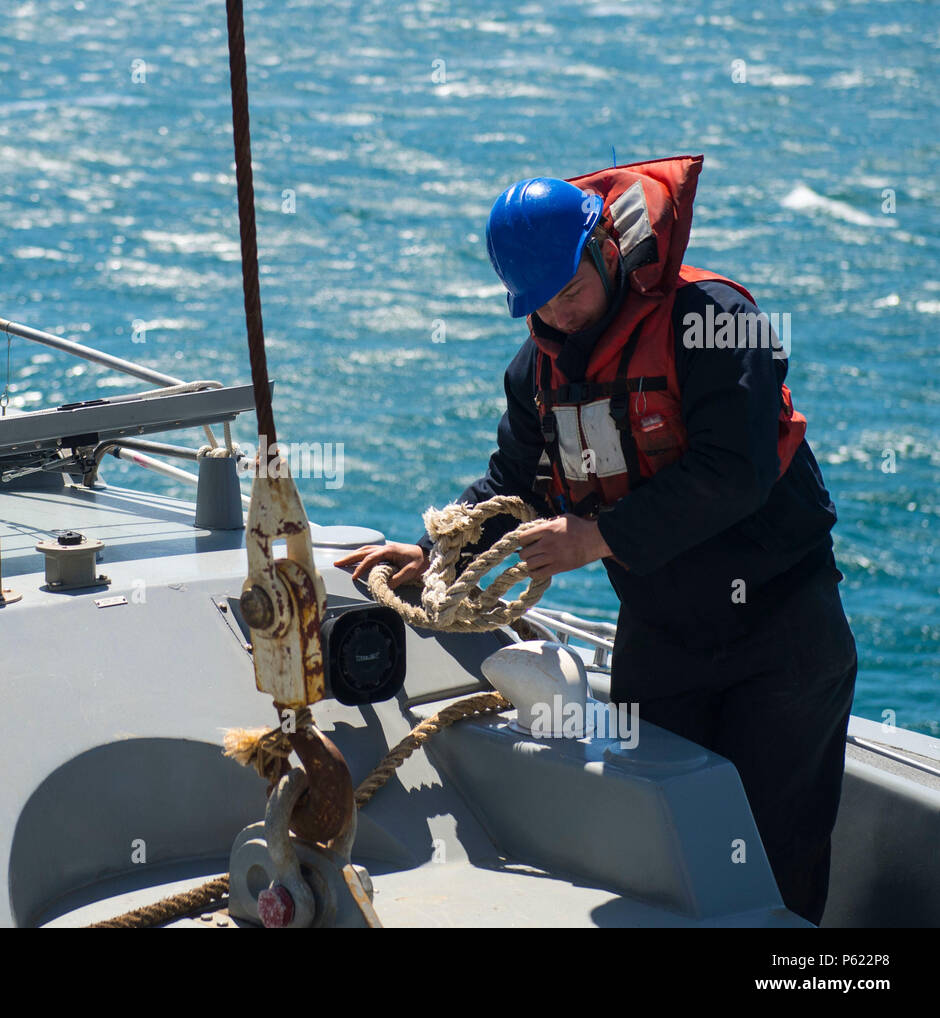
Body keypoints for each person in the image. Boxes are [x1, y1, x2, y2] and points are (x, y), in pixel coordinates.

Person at [335, 154, 858, 926]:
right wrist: (432, 549)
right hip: (664, 640)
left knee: (775, 867)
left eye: (572, 293)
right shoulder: (537, 375)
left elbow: (736, 471)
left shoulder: (709, 321)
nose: (561, 317)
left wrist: (598, 537)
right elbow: (514, 484)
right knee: (664, 856)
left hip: (781, 635)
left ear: (607, 248)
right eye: (540, 307)